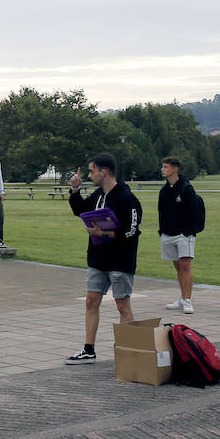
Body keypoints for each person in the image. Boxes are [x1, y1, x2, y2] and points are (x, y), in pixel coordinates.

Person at [65, 153, 142, 365]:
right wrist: (75, 189)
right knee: (91, 301)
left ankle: (130, 351)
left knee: (122, 306)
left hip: (120, 260)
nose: (90, 175)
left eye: (92, 171)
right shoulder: (99, 194)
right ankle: (88, 350)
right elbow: (80, 210)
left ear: (104, 171)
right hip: (98, 258)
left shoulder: (127, 198)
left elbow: (132, 231)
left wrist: (104, 234)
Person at [158, 156, 202, 314]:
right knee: (177, 266)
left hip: (184, 234)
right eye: (162, 167)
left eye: (166, 167)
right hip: (168, 234)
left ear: (175, 169)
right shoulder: (164, 190)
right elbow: (161, 212)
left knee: (185, 265)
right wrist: (162, 231)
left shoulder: (186, 188)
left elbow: (193, 212)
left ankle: (188, 300)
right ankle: (182, 298)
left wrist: (187, 231)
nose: (162, 170)